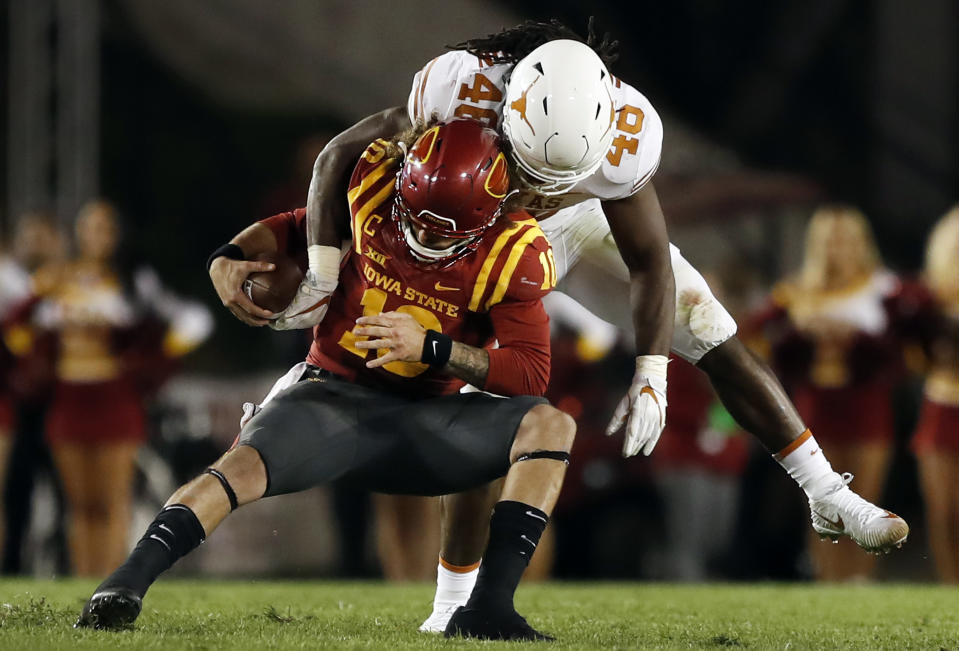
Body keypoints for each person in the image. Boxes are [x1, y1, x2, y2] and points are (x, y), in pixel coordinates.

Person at [291, 19, 909, 628]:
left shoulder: (626, 134)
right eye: (531, 169)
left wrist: (652, 374)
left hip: (580, 224)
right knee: (477, 398)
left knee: (710, 326)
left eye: (554, 176)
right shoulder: (460, 89)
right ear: (509, 113)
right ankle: (451, 603)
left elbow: (649, 260)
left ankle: (829, 494)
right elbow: (341, 152)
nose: (541, 188)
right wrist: (321, 270)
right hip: (483, 237)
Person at [77, 119, 575, 641]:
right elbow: (295, 225)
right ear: (404, 182)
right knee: (237, 469)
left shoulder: (510, 250)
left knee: (550, 425)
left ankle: (487, 610)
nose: (424, 235)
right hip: (334, 397)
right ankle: (124, 584)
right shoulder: (373, 188)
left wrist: (433, 346)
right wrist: (228, 256)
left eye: (442, 230)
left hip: (431, 421)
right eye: (417, 219)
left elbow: (530, 373)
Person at [7, 201, 212, 577]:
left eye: (104, 228)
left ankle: (114, 584)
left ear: (118, 235)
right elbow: (17, 334)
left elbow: (193, 321)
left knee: (112, 503)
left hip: (115, 399)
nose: (95, 236)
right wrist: (39, 299)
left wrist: (149, 363)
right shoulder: (60, 279)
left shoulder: (134, 280)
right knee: (80, 506)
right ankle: (83, 582)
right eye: (88, 227)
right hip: (69, 400)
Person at [750, 206, 907, 580]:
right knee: (823, 498)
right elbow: (751, 336)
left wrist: (855, 338)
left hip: (866, 405)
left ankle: (858, 579)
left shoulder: (883, 287)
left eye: (844, 239)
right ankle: (827, 581)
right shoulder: (795, 291)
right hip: (813, 406)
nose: (836, 248)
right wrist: (800, 336)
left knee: (866, 499)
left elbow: (903, 352)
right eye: (829, 240)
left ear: (861, 244)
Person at [910, 205, 959, 583]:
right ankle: (950, 589)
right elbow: (916, 357)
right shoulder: (932, 300)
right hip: (944, 403)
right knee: (945, 512)